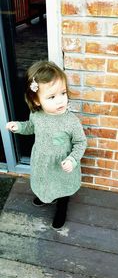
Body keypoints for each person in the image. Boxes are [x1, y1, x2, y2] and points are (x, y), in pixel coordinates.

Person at [6, 60, 87, 229]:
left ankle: (62, 207)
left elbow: (80, 143)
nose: (60, 101)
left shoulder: (70, 121)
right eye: (52, 96)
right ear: (36, 100)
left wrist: (72, 160)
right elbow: (31, 127)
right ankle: (45, 196)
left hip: (62, 164)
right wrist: (19, 126)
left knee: (61, 186)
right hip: (42, 159)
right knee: (44, 181)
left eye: (63, 93)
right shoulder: (36, 115)